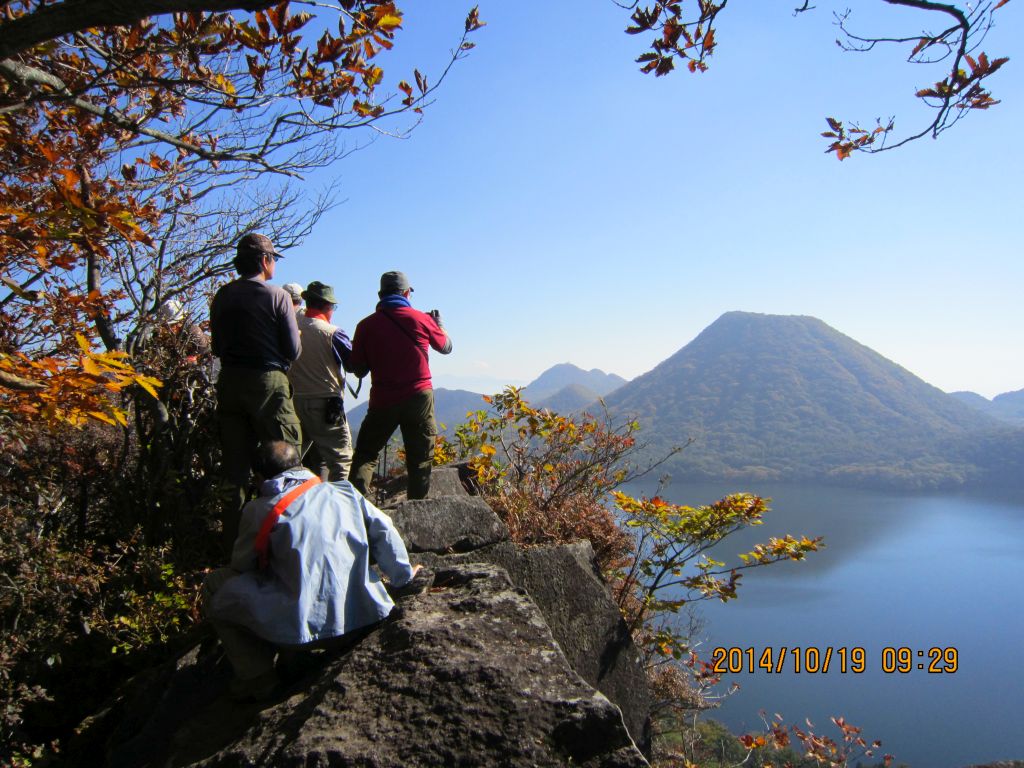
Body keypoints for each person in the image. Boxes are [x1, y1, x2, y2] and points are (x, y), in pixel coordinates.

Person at [204, 440, 419, 699]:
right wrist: (403, 578)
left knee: (216, 584)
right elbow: (384, 528)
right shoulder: (344, 491)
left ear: (260, 478)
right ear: (300, 465)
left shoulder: (260, 509)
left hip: (304, 636)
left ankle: (257, 676)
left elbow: (242, 566)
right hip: (366, 615)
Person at [210, 233, 303, 548]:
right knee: (285, 458)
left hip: (229, 382)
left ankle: (234, 546)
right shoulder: (277, 297)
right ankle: (288, 540)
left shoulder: (222, 296)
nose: (274, 263)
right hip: (268, 381)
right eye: (273, 258)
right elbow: (293, 350)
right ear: (265, 260)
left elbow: (217, 346)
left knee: (234, 468)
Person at [348, 271, 452, 500]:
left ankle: (355, 509)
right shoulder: (421, 319)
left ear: (380, 294)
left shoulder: (365, 326)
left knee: (366, 454)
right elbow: (446, 347)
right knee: (420, 457)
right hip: (418, 397)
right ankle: (416, 509)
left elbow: (358, 368)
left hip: (382, 398)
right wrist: (439, 325)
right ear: (406, 293)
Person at [288, 281, 355, 481]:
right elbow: (353, 365)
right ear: (328, 306)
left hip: (296, 402)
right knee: (340, 460)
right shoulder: (333, 333)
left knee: (294, 458)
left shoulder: (291, 329)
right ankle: (339, 505)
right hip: (326, 403)